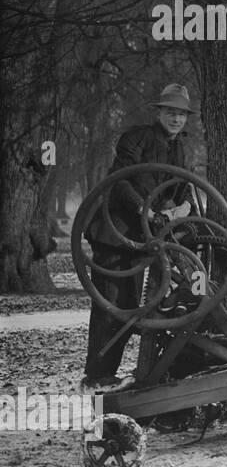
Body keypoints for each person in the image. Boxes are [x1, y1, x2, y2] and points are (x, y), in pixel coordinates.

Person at [81, 84, 196, 387]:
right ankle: (98, 375)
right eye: (170, 113)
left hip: (144, 235)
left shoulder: (178, 147)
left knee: (130, 304)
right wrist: (145, 211)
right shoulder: (136, 137)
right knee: (113, 302)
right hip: (116, 232)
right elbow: (121, 180)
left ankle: (111, 372)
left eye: (181, 114)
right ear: (158, 112)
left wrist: (182, 207)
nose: (176, 119)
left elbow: (181, 186)